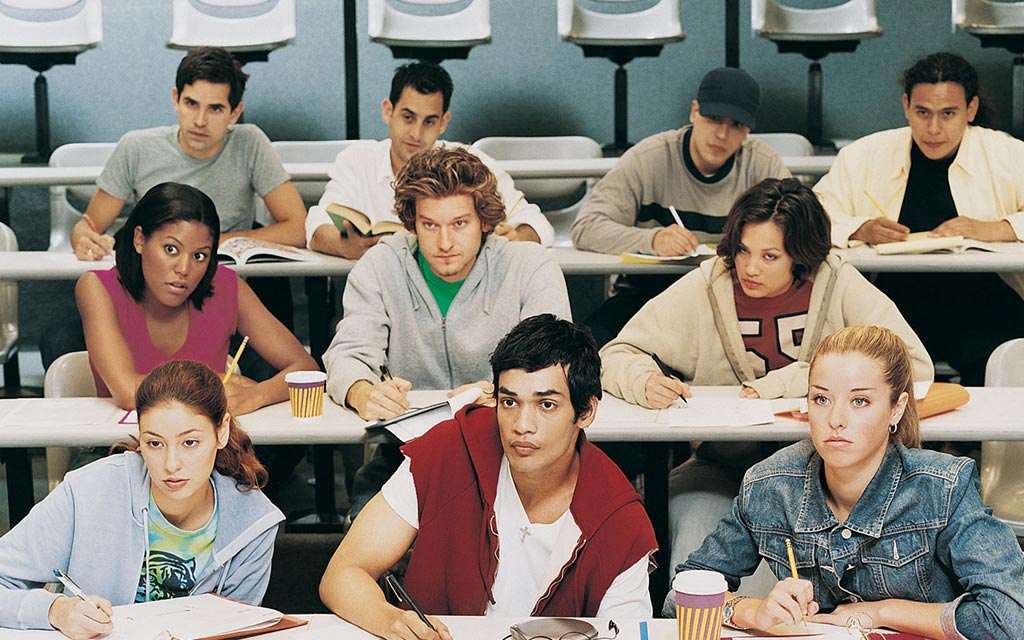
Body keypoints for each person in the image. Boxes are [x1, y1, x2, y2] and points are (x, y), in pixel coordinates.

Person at [599, 178, 933, 601]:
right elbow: (618, 352)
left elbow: (913, 365)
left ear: (801, 255)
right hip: (721, 465)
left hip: (827, 475)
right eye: (742, 250)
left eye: (769, 255)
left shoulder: (836, 282)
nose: (750, 267)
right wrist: (643, 380)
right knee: (694, 549)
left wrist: (789, 381)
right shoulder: (708, 284)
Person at [320, 314, 658, 638]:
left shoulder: (620, 520)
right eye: (510, 402)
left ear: (586, 412)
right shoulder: (449, 450)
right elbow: (343, 574)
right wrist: (392, 621)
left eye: (547, 405)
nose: (522, 426)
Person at [680, 325, 1024, 639]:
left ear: (896, 409)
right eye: (821, 399)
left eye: (860, 401)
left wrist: (879, 612)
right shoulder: (770, 485)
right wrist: (751, 610)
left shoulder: (944, 488)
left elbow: (1011, 616)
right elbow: (681, 593)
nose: (836, 420)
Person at [321, 146, 571, 518]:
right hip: (408, 455)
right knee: (365, 535)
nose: (444, 243)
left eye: (459, 224)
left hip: (515, 451)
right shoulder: (380, 265)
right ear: (411, 223)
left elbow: (556, 362)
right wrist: (363, 392)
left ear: (485, 220)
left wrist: (492, 393)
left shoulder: (530, 265)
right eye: (429, 225)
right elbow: (347, 353)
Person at [44, 46, 308, 369]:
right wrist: (82, 237)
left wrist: (219, 243)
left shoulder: (250, 143)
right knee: (59, 340)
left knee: (270, 368)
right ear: (175, 99)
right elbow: (88, 225)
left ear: (235, 112)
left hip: (215, 300)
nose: (199, 120)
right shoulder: (137, 147)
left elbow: (298, 226)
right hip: (141, 301)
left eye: (215, 109)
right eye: (191, 104)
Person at [0, 360, 285, 638]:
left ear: (221, 432)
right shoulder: (89, 492)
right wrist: (55, 610)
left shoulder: (254, 524)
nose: (171, 464)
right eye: (155, 443)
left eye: (190, 443)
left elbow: (240, 629)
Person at [814, 52, 1024, 385]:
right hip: (896, 306)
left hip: (987, 306)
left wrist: (1000, 228)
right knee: (874, 359)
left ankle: (968, 439)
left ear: (971, 109)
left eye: (948, 113)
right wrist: (860, 228)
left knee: (997, 356)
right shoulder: (865, 155)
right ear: (905, 105)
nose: (933, 128)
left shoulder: (1008, 154)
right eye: (922, 112)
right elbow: (813, 215)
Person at [571, 67, 791, 346]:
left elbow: (804, 226)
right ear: (694, 112)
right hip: (649, 292)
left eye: (735, 124)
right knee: (586, 346)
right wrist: (652, 239)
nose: (722, 134)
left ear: (747, 130)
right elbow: (586, 227)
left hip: (737, 293)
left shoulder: (763, 164)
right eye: (713, 118)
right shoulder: (649, 158)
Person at [76, 182, 317, 416]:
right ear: (140, 239)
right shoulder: (97, 287)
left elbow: (305, 368)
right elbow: (129, 392)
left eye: (200, 256)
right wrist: (212, 386)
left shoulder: (227, 286)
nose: (184, 268)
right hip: (119, 446)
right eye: (171, 249)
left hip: (211, 451)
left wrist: (256, 395)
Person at [304, 61, 554, 259]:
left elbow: (537, 225)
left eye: (429, 121)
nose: (416, 133)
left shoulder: (472, 162)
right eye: (408, 117)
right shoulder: (356, 160)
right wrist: (343, 246)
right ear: (387, 111)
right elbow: (317, 225)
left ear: (444, 122)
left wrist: (517, 239)